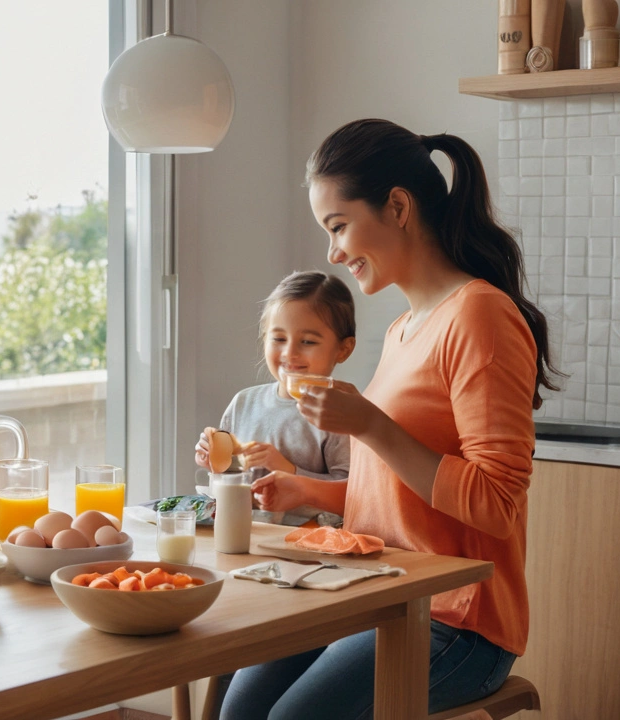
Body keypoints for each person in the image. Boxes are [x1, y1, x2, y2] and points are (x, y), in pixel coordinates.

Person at [220, 119, 561, 719]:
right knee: (237, 704)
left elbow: (496, 504)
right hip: (377, 592)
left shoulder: (480, 316)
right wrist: (307, 489)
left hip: (455, 618)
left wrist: (370, 424)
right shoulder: (406, 327)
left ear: (398, 207)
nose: (333, 252)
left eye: (340, 226)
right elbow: (398, 493)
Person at [193, 270, 356, 526]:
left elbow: (353, 493)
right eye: (278, 338)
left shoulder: (341, 412)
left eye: (308, 341)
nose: (289, 353)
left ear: (343, 349)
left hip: (308, 546)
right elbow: (230, 475)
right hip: (243, 534)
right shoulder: (243, 403)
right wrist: (213, 458)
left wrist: (287, 469)